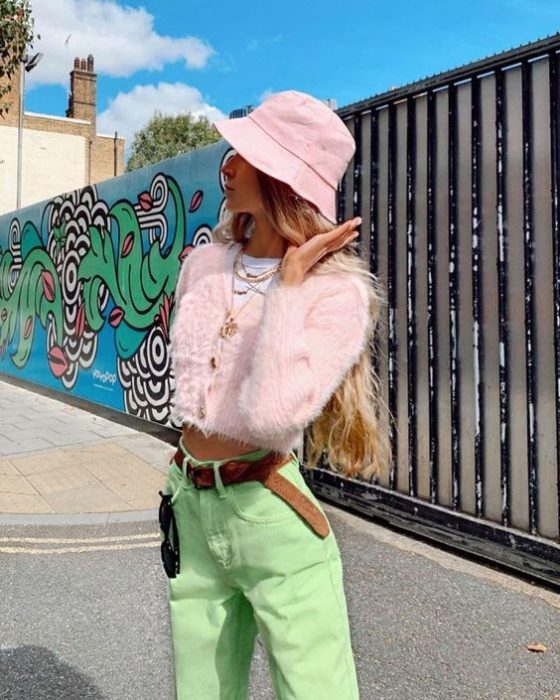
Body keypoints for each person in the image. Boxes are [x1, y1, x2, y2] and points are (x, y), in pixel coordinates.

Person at [159, 89, 390, 700]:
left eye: (244, 154)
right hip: (192, 500)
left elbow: (271, 416)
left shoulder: (336, 294)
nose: (226, 166)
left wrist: (288, 287)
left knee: (316, 691)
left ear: (283, 179)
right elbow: (192, 389)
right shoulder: (205, 265)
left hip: (270, 505)